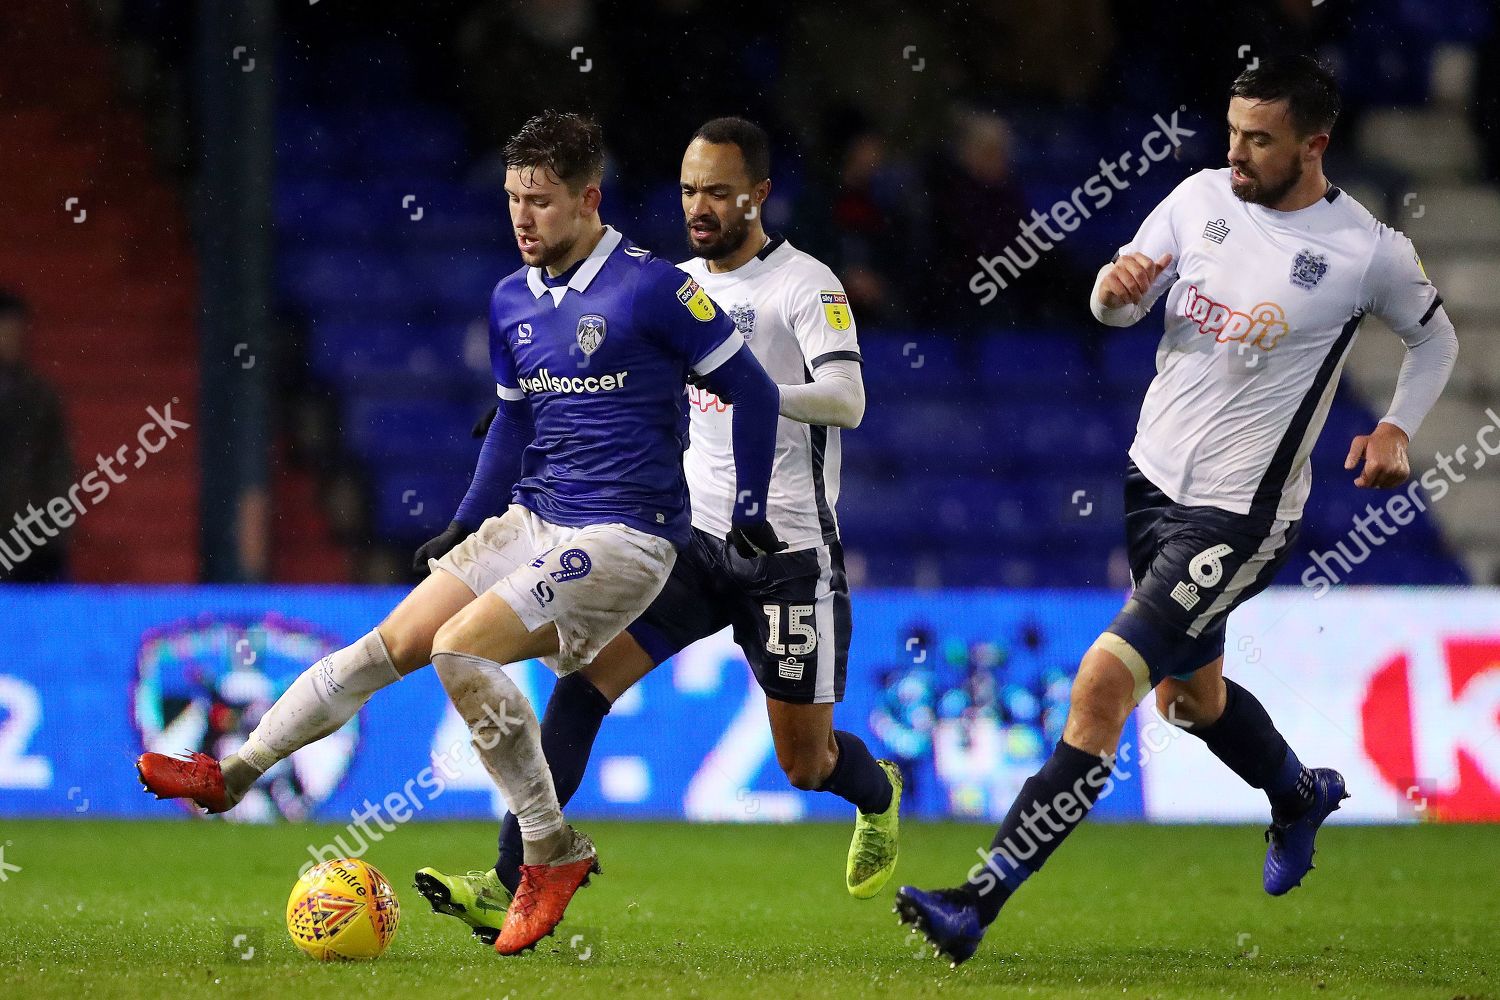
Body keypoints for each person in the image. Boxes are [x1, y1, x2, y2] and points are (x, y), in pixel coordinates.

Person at [136, 111, 785, 956]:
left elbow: (757, 393)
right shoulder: (511, 298)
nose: (523, 218)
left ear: (590, 199)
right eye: (515, 199)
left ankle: (551, 851)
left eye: (542, 202)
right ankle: (235, 774)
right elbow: (513, 427)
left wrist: (749, 515)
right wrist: (466, 521)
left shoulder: (655, 288)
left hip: (629, 534)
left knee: (460, 650)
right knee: (393, 643)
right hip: (537, 516)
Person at [896, 56, 1459, 967]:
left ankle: (977, 900)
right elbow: (1120, 301)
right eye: (1233, 131)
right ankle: (1297, 794)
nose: (1237, 152)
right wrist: (1111, 292)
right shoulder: (1196, 197)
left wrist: (1396, 425)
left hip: (1241, 517)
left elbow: (1437, 340)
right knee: (1189, 701)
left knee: (1103, 685)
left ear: (1314, 144)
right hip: (1151, 484)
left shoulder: (1367, 253)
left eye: (1261, 139)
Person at [413, 117, 902, 944]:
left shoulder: (806, 286)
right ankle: (511, 879)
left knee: (805, 762)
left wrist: (748, 388)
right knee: (583, 685)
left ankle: (876, 792)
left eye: (718, 190)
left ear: (760, 195)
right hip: (687, 541)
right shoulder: (669, 287)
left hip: (785, 553)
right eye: (687, 189)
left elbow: (849, 401)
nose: (699, 206)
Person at [0, 290, 75, 582]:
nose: (10, 340)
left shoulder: (41, 398)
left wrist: (53, 529)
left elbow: (58, 467)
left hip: (29, 540)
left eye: (15, 332)